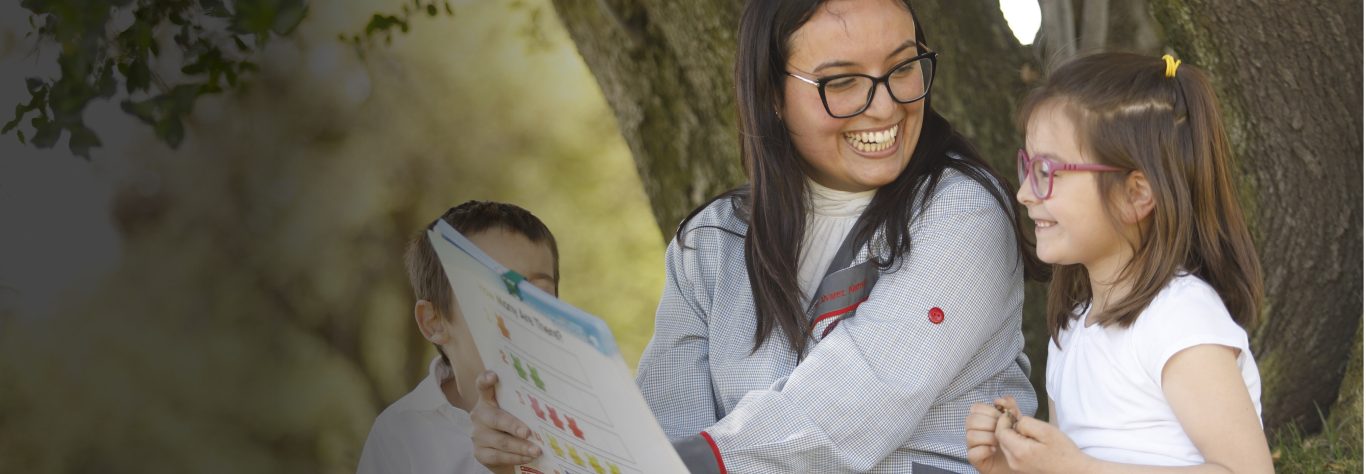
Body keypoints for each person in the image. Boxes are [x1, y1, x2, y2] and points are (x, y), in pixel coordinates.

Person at [472, 0, 1048, 472]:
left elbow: (849, 403)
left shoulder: (961, 211)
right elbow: (668, 426)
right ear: (772, 95)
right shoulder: (711, 244)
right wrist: (540, 450)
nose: (885, 106)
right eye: (842, 82)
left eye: (903, 68)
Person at [964, 53, 1273, 474]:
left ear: (1136, 195)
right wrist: (1016, 463)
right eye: (1028, 167)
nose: (1024, 193)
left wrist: (1076, 468)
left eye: (1047, 171)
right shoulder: (1070, 331)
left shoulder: (1180, 318)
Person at [356, 201, 559, 474]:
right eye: (495, 296)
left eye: (540, 294)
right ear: (435, 323)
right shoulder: (399, 434)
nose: (524, 315)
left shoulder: (589, 422)